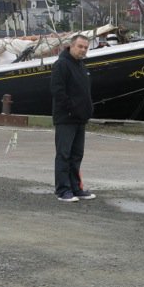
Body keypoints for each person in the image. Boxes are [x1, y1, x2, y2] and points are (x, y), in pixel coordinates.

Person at [50, 34, 96, 202]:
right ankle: (63, 190)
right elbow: (57, 91)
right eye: (80, 46)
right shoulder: (61, 65)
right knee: (64, 154)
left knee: (77, 155)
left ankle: (76, 187)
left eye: (85, 47)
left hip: (80, 118)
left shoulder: (82, 66)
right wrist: (71, 109)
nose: (83, 50)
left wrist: (88, 109)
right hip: (66, 118)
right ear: (71, 46)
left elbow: (84, 92)